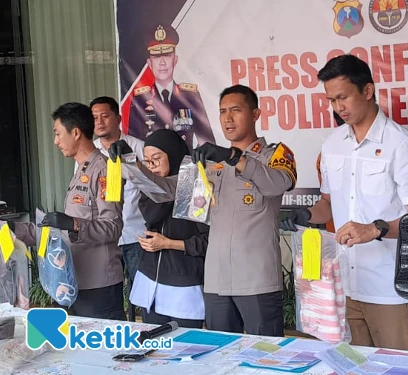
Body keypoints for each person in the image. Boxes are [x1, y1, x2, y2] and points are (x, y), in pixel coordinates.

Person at [280, 54, 408, 350]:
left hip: (389, 289)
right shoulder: (332, 144)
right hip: (342, 287)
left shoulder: (401, 143)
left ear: (367, 91)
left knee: (396, 370)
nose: (338, 107)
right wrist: (303, 213)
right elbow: (327, 204)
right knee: (351, 367)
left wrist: (375, 229)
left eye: (343, 97)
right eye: (331, 100)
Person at [190, 84, 296, 336]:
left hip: (256, 280)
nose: (228, 118)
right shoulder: (212, 161)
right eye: (223, 111)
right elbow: (175, 195)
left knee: (267, 355)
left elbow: (279, 183)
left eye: (236, 110)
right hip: (216, 278)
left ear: (255, 114)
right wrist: (131, 164)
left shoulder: (275, 155)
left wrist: (236, 158)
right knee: (220, 357)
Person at [14, 103, 125, 319]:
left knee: (105, 351)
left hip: (99, 285)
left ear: (75, 132)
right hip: (73, 280)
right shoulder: (80, 169)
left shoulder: (105, 169)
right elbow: (58, 230)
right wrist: (13, 229)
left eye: (57, 133)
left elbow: (113, 227)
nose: (55, 141)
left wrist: (74, 224)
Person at [112, 129, 208, 329]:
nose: (152, 166)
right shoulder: (149, 191)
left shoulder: (194, 186)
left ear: (173, 156)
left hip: (184, 287)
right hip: (150, 284)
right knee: (154, 352)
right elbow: (156, 199)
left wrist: (168, 243)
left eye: (156, 158)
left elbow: (207, 241)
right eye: (147, 161)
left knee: (185, 349)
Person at [89, 96, 145, 321]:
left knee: (139, 292)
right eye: (94, 118)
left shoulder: (137, 147)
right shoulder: (90, 152)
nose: (100, 122)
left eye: (105, 116)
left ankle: (141, 331)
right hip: (104, 236)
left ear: (118, 118)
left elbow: (150, 185)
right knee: (109, 290)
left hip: (134, 233)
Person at [129, 23, 215, 151]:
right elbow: (133, 144)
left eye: (167, 56)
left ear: (175, 60)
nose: (162, 62)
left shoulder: (190, 96)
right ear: (149, 63)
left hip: (185, 166)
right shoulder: (140, 99)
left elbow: (207, 141)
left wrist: (194, 162)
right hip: (152, 167)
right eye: (157, 57)